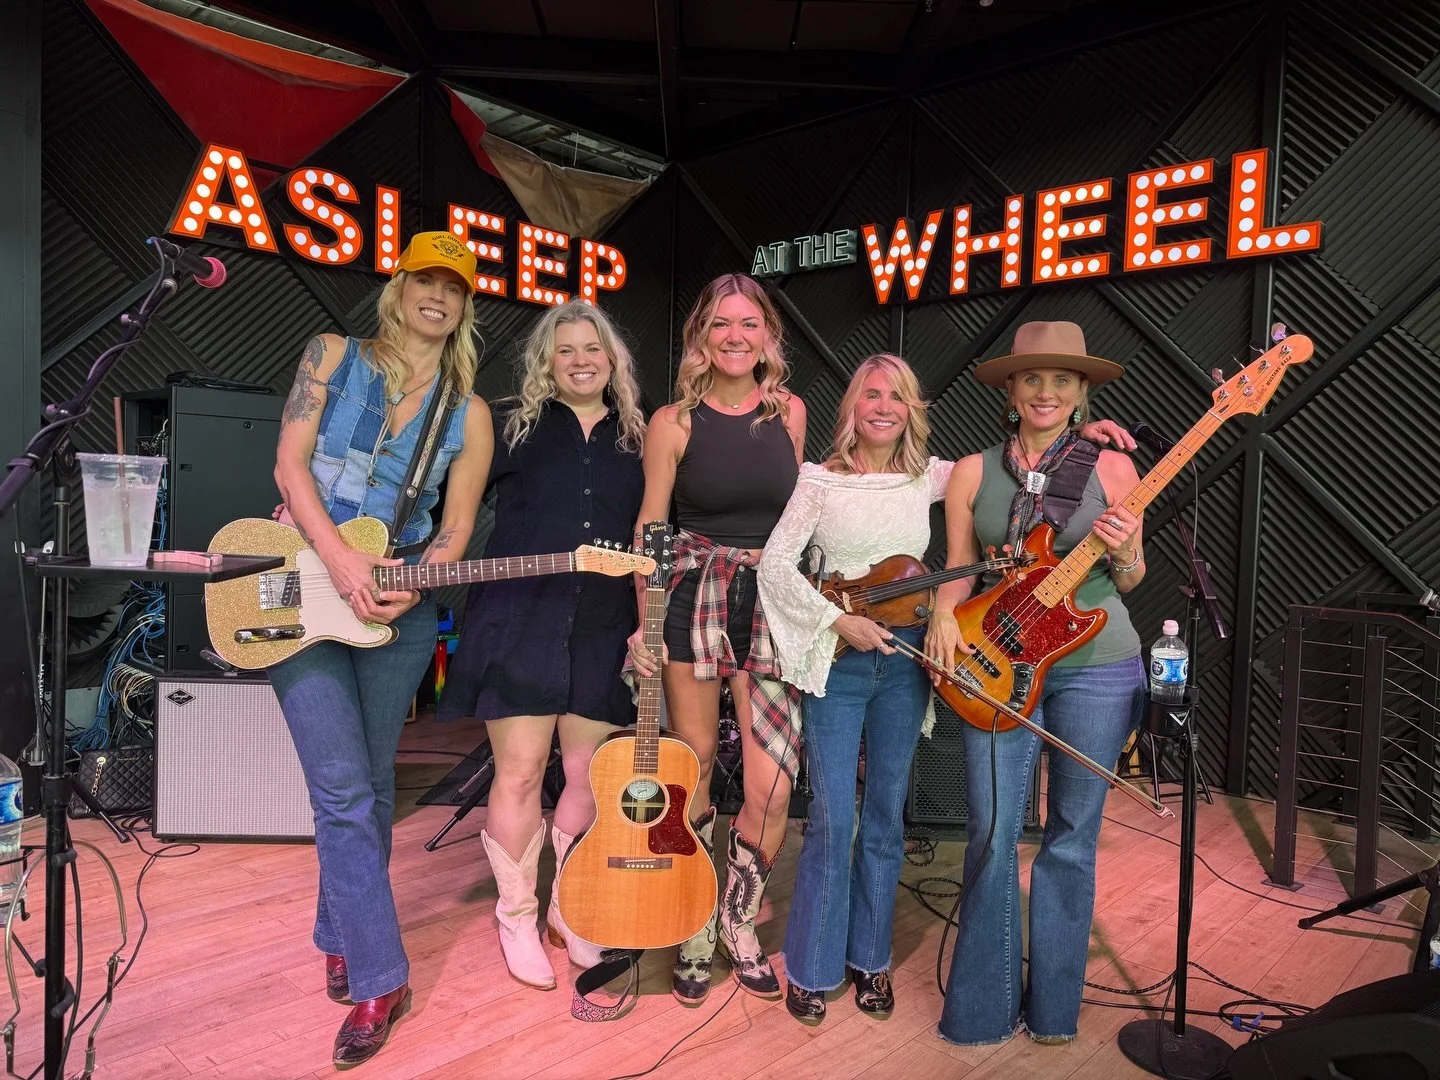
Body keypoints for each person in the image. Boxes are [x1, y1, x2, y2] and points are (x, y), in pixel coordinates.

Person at [269, 232, 493, 1067]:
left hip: (395, 610)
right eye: (425, 279)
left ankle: (338, 927)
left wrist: (419, 579)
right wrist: (338, 559)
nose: (437, 295)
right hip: (302, 586)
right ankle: (379, 975)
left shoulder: (467, 410)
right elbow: (291, 468)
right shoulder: (330, 355)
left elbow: (461, 523)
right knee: (340, 790)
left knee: (365, 786)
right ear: (398, 287)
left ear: (465, 306)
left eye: (454, 287)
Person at [925, 320, 1147, 1047]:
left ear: (1082, 393)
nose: (1045, 391)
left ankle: (1054, 1011)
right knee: (991, 833)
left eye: (1062, 379)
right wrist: (944, 623)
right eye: (1032, 378)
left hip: (1097, 665)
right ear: (1011, 391)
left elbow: (1132, 578)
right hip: (1001, 661)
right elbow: (958, 569)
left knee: (1073, 838)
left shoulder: (1111, 468)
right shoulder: (971, 471)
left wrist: (1130, 549)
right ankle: (983, 1007)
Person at [438, 300, 647, 990]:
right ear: (545, 362)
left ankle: (571, 909)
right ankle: (516, 915)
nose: (582, 359)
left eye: (593, 348)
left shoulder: (641, 437)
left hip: (603, 622)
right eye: (566, 350)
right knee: (521, 773)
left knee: (587, 773)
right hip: (518, 614)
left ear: (612, 358)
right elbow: (451, 512)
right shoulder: (505, 425)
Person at [629, 273, 806, 1004]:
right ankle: (696, 922)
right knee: (693, 762)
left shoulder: (788, 411)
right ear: (701, 337)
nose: (736, 335)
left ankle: (740, 913)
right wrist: (642, 623)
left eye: (750, 323)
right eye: (721, 324)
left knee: (771, 781)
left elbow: (799, 514)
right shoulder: (673, 421)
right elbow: (650, 527)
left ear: (768, 336)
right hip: (690, 597)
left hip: (771, 598)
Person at [756, 354, 945, 1023]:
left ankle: (871, 961)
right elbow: (775, 566)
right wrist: (840, 619)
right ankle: (810, 965)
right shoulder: (819, 480)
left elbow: (1001, 471)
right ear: (852, 408)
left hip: (906, 662)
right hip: (838, 661)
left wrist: (1087, 436)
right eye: (871, 395)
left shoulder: (930, 478)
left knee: (887, 817)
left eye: (898, 395)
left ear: (912, 409)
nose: (884, 406)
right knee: (835, 820)